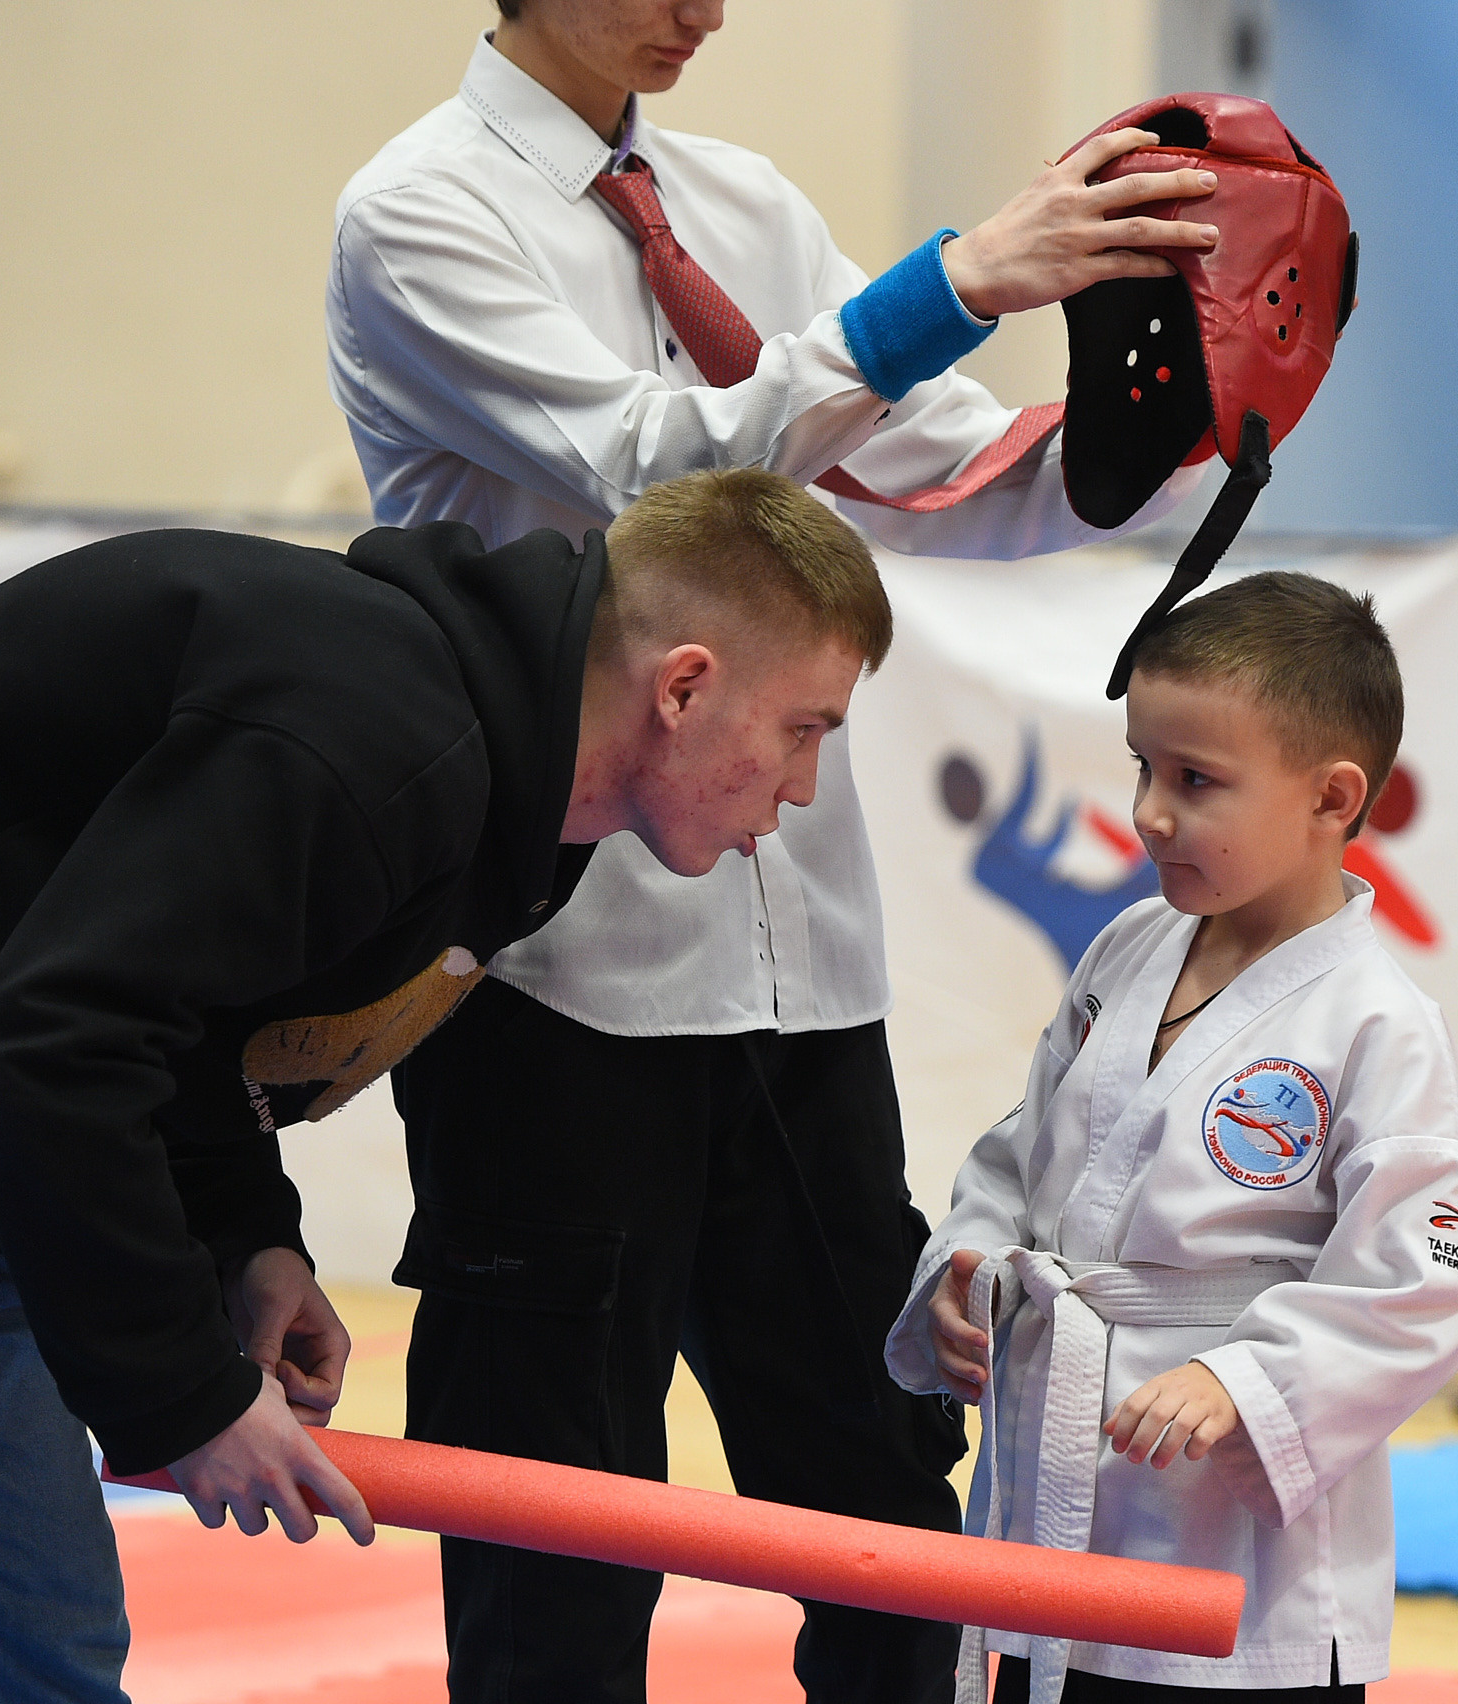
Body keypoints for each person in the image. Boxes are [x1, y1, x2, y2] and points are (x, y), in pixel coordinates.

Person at [326, 4, 1219, 1700]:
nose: (707, 10)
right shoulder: (417, 211)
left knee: (885, 1497)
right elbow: (666, 482)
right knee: (556, 1537)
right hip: (550, 979)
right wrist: (954, 276)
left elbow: (952, 475)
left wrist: (1190, 406)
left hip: (806, 976)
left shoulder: (739, 201)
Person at [0, 466, 888, 1703]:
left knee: (34, 1650)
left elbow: (188, 1022)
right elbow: (56, 1032)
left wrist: (246, 1244)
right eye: (804, 729)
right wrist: (186, 1395)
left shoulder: (516, 799)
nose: (802, 788)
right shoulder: (380, 739)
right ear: (684, 686)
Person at [886, 573, 1458, 1704]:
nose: (1151, 812)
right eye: (1143, 768)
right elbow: (1026, 1153)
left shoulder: (1378, 1022)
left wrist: (1250, 1379)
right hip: (1052, 1502)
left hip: (1232, 1549)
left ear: (1331, 798)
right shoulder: (1127, 947)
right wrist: (969, 1261)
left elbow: (1419, 1288)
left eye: (1196, 781)